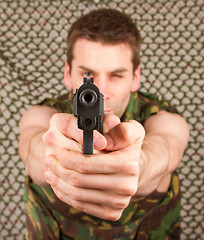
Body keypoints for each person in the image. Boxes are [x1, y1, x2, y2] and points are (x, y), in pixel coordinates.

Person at [18, 8, 189, 240]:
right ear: (68, 73)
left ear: (135, 77)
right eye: (88, 73)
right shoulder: (44, 114)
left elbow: (168, 145)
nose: (100, 91)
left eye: (116, 75)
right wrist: (52, 157)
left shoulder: (158, 115)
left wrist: (140, 164)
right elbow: (32, 145)